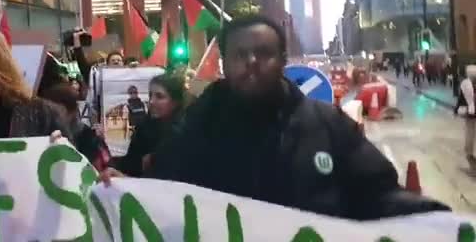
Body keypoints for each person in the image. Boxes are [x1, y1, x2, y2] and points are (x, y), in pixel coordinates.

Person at [136, 15, 449, 220]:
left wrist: (432, 220)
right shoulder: (196, 127)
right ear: (225, 63)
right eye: (240, 54)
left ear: (283, 61)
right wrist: (114, 190)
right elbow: (161, 193)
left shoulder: (327, 124)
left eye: (263, 53)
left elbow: (377, 194)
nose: (252, 62)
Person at [110, 74, 186, 177]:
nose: (151, 101)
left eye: (160, 96)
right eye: (150, 95)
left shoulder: (184, 133)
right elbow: (129, 167)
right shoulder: (143, 128)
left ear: (175, 102)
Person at [455, 65, 476, 168]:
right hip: (472, 112)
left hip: (470, 112)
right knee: (470, 132)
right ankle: (470, 153)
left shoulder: (465, 84)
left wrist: (456, 109)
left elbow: (461, 98)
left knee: (470, 132)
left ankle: (469, 153)